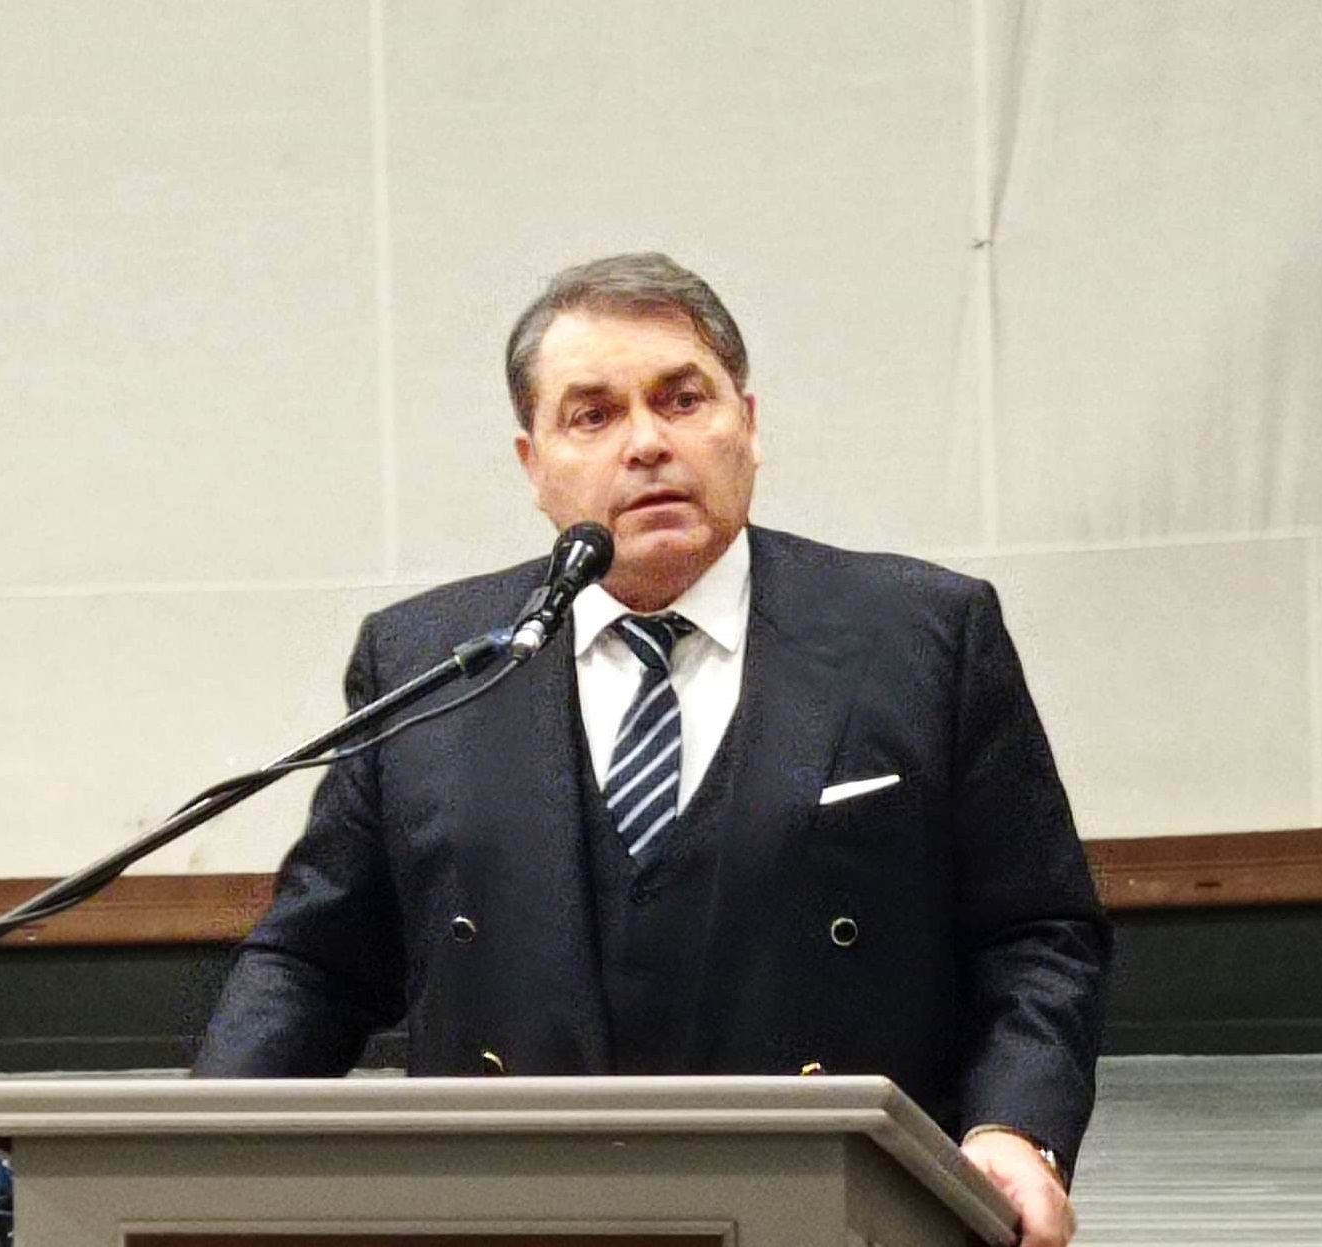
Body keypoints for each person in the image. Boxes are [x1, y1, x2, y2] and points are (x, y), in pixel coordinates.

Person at [195, 253, 1111, 1247]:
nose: (647, 444)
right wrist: (196, 1155)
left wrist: (1015, 1127)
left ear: (747, 424)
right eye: (592, 415)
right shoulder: (430, 659)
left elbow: (1035, 933)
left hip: (832, 1209)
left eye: (682, 400)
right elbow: (317, 961)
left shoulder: (922, 634)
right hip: (508, 1213)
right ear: (532, 464)